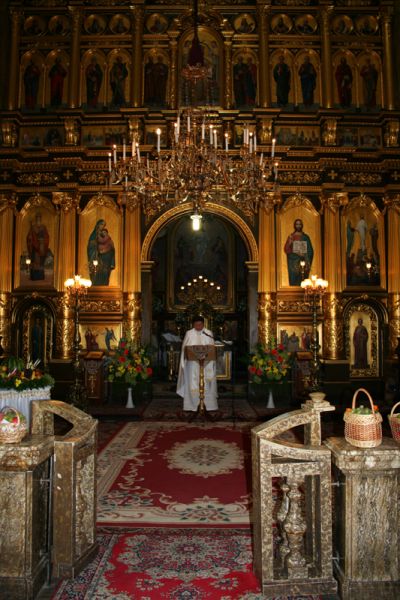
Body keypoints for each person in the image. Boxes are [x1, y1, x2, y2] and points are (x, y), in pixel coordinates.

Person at [177, 316, 218, 413]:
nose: (198, 326)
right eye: (196, 324)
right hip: (192, 365)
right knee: (192, 383)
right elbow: (184, 349)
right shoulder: (189, 333)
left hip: (206, 364)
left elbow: (212, 348)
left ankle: (209, 406)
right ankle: (191, 405)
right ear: (193, 325)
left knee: (207, 384)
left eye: (200, 324)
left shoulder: (208, 333)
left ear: (203, 324)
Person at [284, 218, 314, 286]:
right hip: (293, 263)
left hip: (303, 262)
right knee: (294, 280)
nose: (298, 226)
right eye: (297, 224)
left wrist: (304, 255)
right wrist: (290, 243)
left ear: (302, 225)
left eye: (299, 224)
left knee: (302, 279)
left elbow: (310, 251)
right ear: (294, 225)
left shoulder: (306, 237)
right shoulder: (291, 236)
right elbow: (286, 249)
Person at [87, 219, 115, 286]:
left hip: (106, 257)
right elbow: (90, 246)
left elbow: (109, 244)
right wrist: (95, 245)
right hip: (97, 256)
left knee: (105, 272)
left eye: (104, 225)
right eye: (101, 224)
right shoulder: (94, 234)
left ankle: (104, 285)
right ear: (98, 225)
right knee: (97, 271)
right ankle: (96, 285)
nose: (102, 226)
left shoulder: (104, 235)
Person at [26, 213, 50, 280]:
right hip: (34, 246)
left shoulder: (43, 227)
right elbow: (29, 236)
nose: (38, 219)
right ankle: (34, 276)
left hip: (41, 246)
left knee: (40, 261)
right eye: (37, 218)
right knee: (35, 260)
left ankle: (40, 275)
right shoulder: (33, 227)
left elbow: (47, 236)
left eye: (39, 218)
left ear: (40, 219)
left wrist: (43, 240)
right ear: (36, 219)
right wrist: (31, 238)